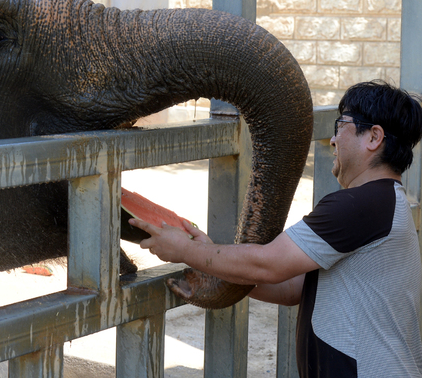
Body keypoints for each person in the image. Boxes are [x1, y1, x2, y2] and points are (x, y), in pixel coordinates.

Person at [130, 80, 422, 378]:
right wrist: (209, 259)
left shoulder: (362, 204)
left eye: (340, 125)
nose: (333, 140)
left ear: (374, 136)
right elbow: (293, 287)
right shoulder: (382, 202)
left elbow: (268, 264)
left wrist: (185, 250)